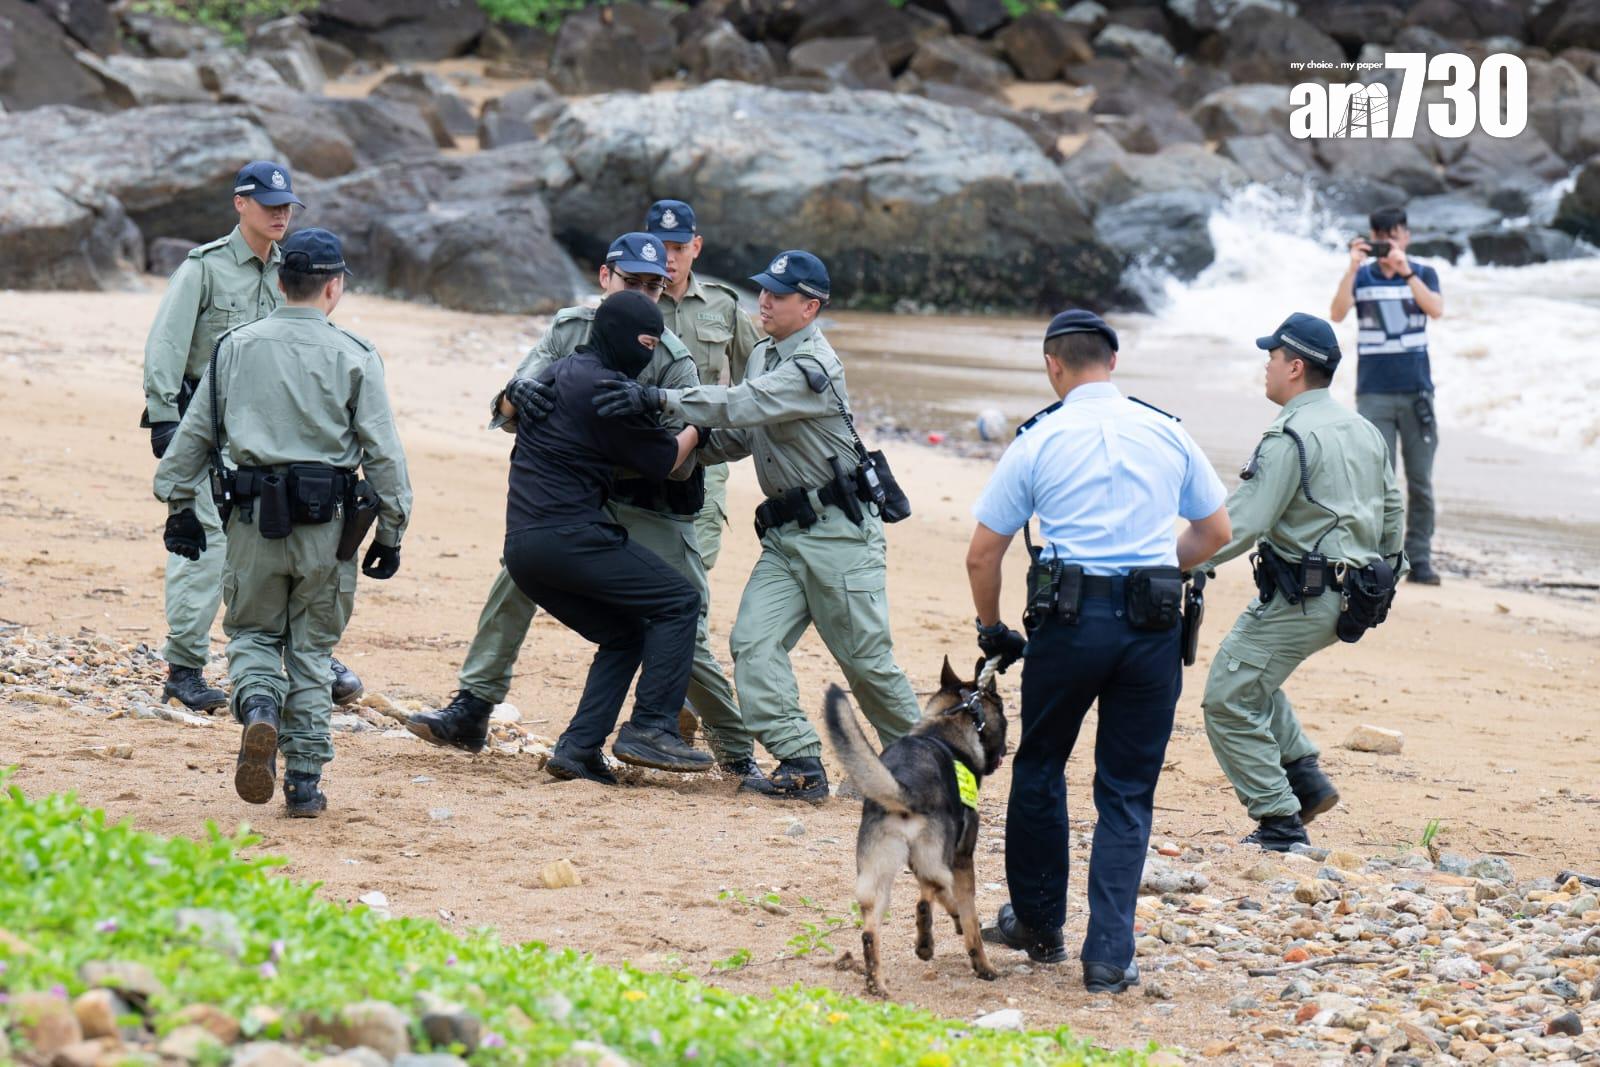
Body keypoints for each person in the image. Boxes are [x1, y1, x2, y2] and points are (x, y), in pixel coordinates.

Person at [408, 233, 765, 788]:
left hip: (636, 507)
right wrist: (513, 395)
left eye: (655, 284)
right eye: (635, 283)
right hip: (581, 516)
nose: (648, 292)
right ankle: (482, 708)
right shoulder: (571, 332)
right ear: (606, 279)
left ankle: (714, 752)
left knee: (654, 631)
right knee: (667, 605)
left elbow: (694, 450)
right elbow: (510, 404)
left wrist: (689, 419)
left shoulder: (667, 354)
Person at [591, 250, 921, 802]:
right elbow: (740, 437)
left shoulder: (814, 367)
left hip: (840, 535)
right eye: (763, 289)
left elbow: (745, 404)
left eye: (778, 294)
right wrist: (666, 450)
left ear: (810, 306)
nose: (763, 300)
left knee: (865, 662)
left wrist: (658, 397)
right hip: (787, 537)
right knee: (752, 643)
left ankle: (926, 766)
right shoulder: (767, 353)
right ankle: (800, 763)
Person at [964, 310, 1231, 994]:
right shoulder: (1168, 431)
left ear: (1054, 366)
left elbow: (983, 554)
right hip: (1151, 628)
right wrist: (1154, 572)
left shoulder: (1039, 438)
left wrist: (991, 628)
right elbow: (1215, 529)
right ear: (1113, 363)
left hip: (1069, 622)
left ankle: (1039, 922)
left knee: (1042, 764)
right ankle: (1110, 953)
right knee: (1126, 788)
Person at [153, 228, 412, 817]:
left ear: (278, 280)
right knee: (313, 652)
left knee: (252, 635)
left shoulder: (235, 346)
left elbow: (194, 436)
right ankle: (303, 784)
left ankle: (261, 708)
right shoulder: (355, 353)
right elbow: (385, 456)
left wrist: (178, 508)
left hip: (250, 522)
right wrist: (392, 532)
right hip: (329, 530)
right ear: (334, 287)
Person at [142, 159, 364, 712]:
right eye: (269, 205)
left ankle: (304, 658)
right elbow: (166, 345)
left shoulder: (297, 268)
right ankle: (185, 667)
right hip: (207, 426)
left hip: (272, 437)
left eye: (287, 206)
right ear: (240, 204)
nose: (280, 214)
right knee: (205, 545)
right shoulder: (205, 269)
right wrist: (163, 416)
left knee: (285, 540)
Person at [1200, 313, 1404, 852]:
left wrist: (1175, 563)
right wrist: (1384, 584)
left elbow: (1244, 522)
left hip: (1305, 596)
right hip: (1348, 598)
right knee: (1249, 672)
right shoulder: (1364, 430)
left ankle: (1279, 821)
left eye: (1271, 356)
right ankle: (1306, 779)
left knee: (1226, 698)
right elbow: (1393, 511)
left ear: (1294, 367)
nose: (1265, 365)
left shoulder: (1289, 435)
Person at [500, 290, 708, 784]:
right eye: (645, 342)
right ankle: (652, 726)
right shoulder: (608, 389)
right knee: (679, 601)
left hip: (523, 547)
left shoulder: (554, 371)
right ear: (619, 338)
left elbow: (512, 403)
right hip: (569, 536)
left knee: (625, 633)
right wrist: (699, 424)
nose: (650, 354)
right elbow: (662, 461)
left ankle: (578, 748)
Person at [645, 199, 763, 571]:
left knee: (696, 566)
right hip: (641, 453)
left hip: (704, 460)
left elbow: (759, 383)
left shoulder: (724, 305)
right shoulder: (632, 303)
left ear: (695, 247)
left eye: (678, 248)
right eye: (660, 248)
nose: (669, 259)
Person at [1329, 205, 1444, 585]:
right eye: (1381, 238)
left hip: (1416, 393)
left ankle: (1420, 558)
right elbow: (1337, 313)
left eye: (1394, 236)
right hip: (1374, 393)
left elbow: (1436, 309)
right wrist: (1351, 267)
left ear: (1406, 237)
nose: (1388, 244)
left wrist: (1406, 270)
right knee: (1378, 480)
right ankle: (1379, 558)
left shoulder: (1423, 273)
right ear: (1372, 239)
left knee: (1421, 482)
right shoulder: (1362, 277)